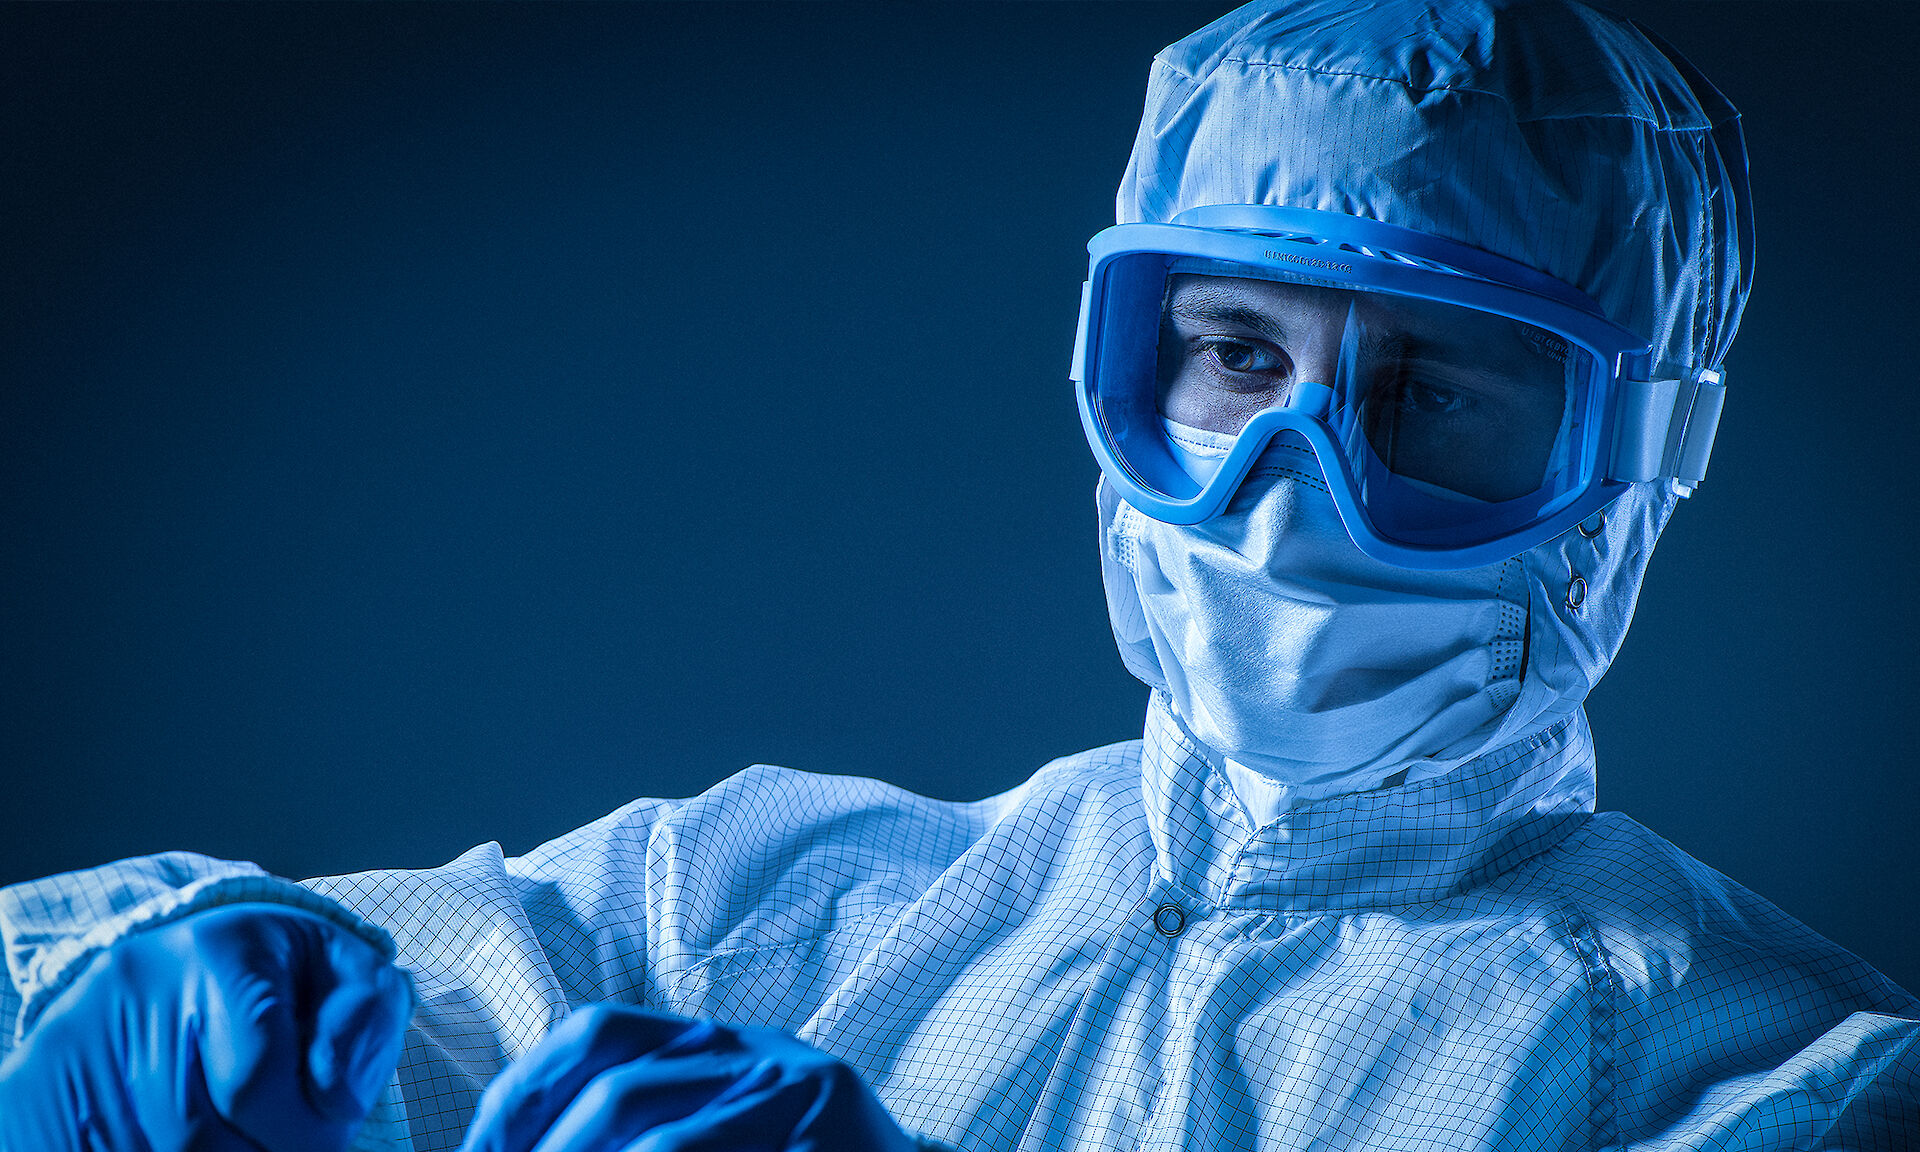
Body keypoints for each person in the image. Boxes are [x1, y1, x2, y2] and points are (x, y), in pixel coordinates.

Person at [2, 0, 1915, 1149]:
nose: (1292, 492)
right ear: (1124, 372)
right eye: (1239, 361)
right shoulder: (763, 907)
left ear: (1628, 469)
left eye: (1437, 390)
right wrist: (119, 1002)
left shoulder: (1759, 1080)